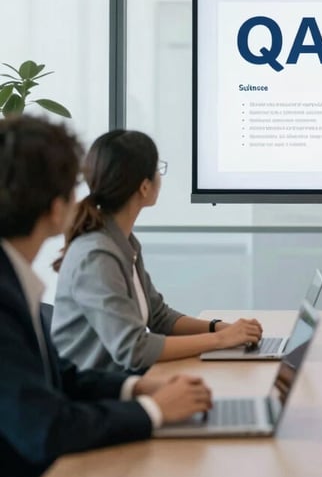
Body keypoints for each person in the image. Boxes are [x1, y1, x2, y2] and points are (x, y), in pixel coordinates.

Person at [0, 116, 213, 477]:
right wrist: (154, 411)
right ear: (58, 208)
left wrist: (135, 391)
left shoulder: (13, 280)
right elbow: (47, 428)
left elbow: (59, 379)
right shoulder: (17, 289)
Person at [51, 129, 263, 374]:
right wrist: (220, 341)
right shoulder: (96, 256)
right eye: (158, 169)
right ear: (144, 186)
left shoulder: (123, 242)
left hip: (125, 381)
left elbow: (159, 317)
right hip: (97, 396)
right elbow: (134, 349)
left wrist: (221, 328)